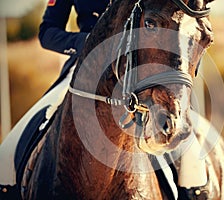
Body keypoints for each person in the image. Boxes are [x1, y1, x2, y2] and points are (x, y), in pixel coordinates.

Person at [0, 0, 210, 199]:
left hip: (137, 67)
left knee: (191, 153)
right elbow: (47, 32)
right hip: (84, 67)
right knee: (7, 154)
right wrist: (91, 44)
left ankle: (192, 193)